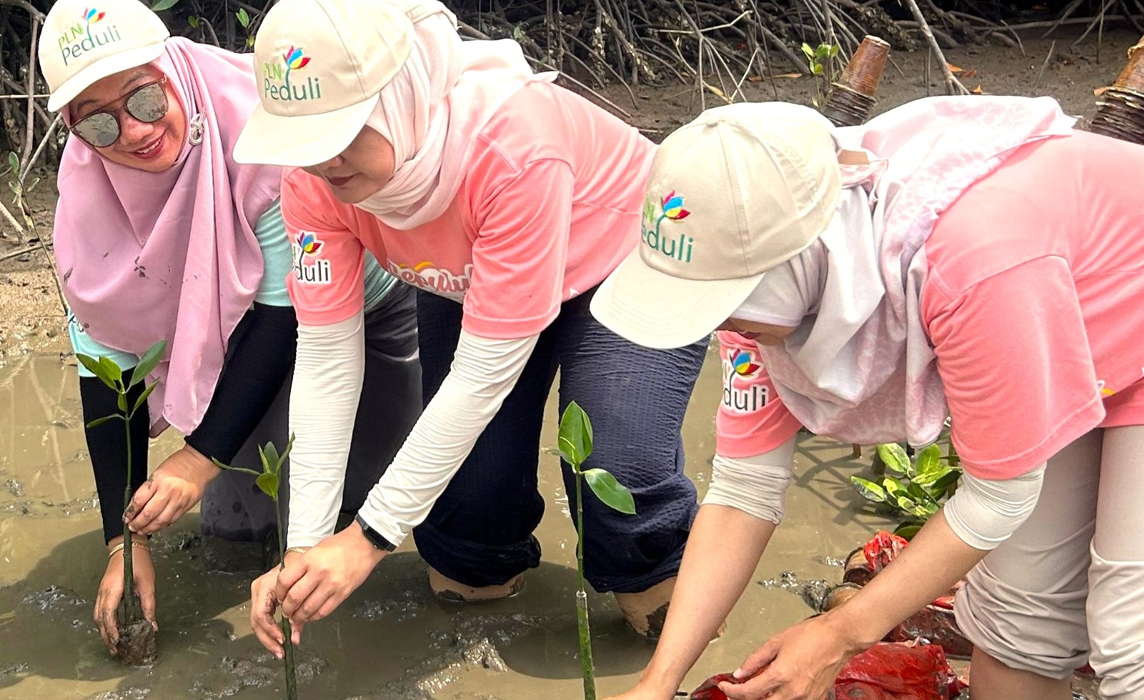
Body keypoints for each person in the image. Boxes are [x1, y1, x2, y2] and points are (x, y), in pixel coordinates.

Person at [590, 98, 1144, 700]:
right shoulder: (757, 306)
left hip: (1102, 311)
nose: (717, 324)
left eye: (725, 302)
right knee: (1020, 626)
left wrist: (841, 633)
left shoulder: (971, 260)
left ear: (795, 260)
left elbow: (1000, 495)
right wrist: (657, 682)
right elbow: (742, 492)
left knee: (1129, 636)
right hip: (1073, 353)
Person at [231, 0, 709, 655]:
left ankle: (655, 576)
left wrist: (368, 539)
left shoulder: (513, 144)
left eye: (342, 134)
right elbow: (328, 360)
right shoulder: (314, 184)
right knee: (466, 539)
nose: (325, 163)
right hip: (467, 272)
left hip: (624, 258)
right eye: (305, 142)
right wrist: (306, 548)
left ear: (401, 96)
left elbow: (484, 372)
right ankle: (482, 554)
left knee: (617, 470)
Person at [37, 0, 420, 656]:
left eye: (145, 100)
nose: (132, 132)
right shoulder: (82, 212)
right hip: (237, 337)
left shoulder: (261, 130)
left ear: (171, 68)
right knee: (235, 541)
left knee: (355, 524)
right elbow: (108, 376)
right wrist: (122, 541)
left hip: (357, 307)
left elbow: (287, 317)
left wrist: (195, 458)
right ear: (74, 130)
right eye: (98, 123)